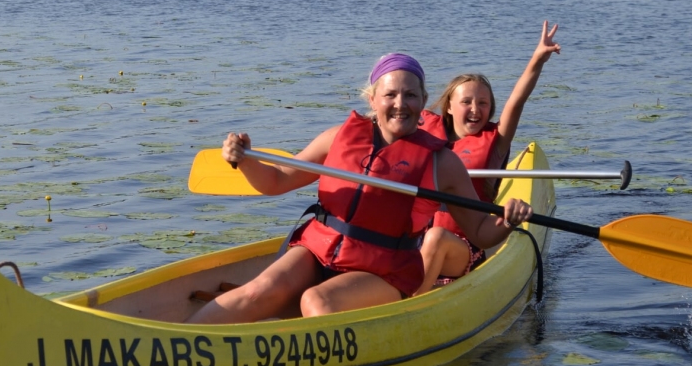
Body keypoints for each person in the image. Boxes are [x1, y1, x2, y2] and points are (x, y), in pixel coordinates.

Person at [186, 54, 534, 324]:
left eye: (411, 95)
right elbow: (275, 181)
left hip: (384, 270)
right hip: (319, 252)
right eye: (391, 94)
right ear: (373, 99)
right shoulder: (337, 138)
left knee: (317, 301)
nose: (401, 103)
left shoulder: (442, 163)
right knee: (258, 291)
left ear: (424, 99)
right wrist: (243, 160)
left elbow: (480, 232)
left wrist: (508, 220)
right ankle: (182, 345)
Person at [416, 22, 560, 294]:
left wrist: (538, 59)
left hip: (464, 247)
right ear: (449, 105)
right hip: (415, 242)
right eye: (466, 102)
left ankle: (408, 306)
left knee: (435, 238)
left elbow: (516, 102)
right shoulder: (422, 133)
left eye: (483, 103)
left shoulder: (496, 143)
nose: (475, 109)